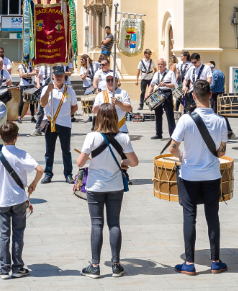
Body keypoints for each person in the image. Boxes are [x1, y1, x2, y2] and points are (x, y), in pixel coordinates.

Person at [169, 80, 228, 275]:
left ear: (193, 96)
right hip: (212, 175)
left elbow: (173, 147)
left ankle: (189, 263)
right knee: (213, 217)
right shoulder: (221, 121)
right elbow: (221, 152)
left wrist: (181, 156)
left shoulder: (186, 120)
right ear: (210, 95)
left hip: (189, 175)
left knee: (189, 216)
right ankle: (215, 261)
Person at [77, 103, 139, 278]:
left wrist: (90, 156)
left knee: (96, 224)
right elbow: (134, 162)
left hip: (95, 187)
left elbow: (80, 163)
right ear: (115, 118)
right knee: (114, 224)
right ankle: (116, 265)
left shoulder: (91, 137)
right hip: (115, 186)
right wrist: (124, 162)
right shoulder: (123, 138)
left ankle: (95, 266)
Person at [0, 122, 43, 279]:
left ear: (0, 137)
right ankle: (17, 267)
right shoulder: (22, 154)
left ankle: (4, 268)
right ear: (16, 137)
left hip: (2, 200)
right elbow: (39, 169)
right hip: (18, 199)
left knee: (4, 235)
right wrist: (33, 184)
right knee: (18, 233)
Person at [39, 65, 78, 183]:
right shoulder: (47, 88)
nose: (59, 77)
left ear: (64, 76)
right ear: (53, 76)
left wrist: (65, 115)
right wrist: (48, 91)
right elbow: (42, 104)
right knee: (49, 151)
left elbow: (75, 107)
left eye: (61, 75)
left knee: (66, 150)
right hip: (50, 123)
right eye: (56, 75)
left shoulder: (69, 90)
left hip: (65, 124)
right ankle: (48, 173)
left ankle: (68, 174)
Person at [149, 59, 176, 139]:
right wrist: (147, 94)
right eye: (158, 64)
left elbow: (174, 85)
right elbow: (151, 85)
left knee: (169, 115)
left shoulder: (170, 73)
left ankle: (173, 135)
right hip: (157, 94)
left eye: (161, 64)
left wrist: (165, 85)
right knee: (158, 114)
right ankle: (158, 133)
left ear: (165, 65)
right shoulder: (156, 74)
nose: (160, 66)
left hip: (167, 93)